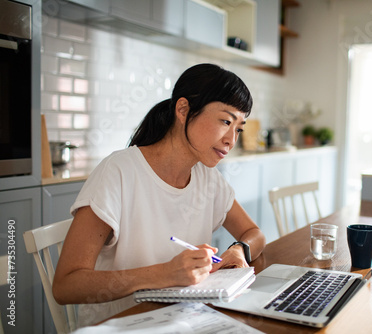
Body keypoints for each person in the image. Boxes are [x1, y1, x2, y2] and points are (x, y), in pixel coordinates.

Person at [52, 63, 266, 327]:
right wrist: (165, 273)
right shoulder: (119, 172)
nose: (231, 140)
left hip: (184, 321)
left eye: (239, 128)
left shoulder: (208, 179)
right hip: (121, 326)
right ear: (183, 109)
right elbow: (65, 286)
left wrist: (239, 249)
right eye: (225, 121)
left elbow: (255, 234)